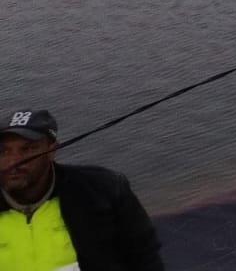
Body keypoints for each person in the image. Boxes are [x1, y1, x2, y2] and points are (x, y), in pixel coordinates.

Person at [0, 109, 163, 270]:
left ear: (52, 150)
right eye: (3, 151)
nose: (13, 161)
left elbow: (145, 257)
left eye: (28, 149)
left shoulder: (103, 190)